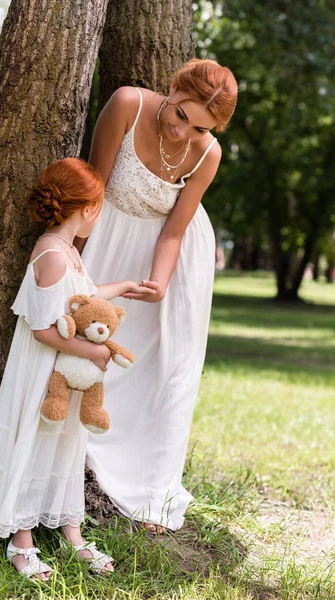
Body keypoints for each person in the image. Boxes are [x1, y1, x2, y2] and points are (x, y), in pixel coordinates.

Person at [0, 157, 155, 580]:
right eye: (99, 208)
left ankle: (71, 531)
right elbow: (42, 330)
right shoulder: (50, 254)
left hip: (65, 374)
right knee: (34, 441)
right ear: (86, 209)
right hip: (43, 371)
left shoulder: (68, 250)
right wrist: (92, 354)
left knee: (64, 443)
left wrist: (122, 286)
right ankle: (21, 540)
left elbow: (82, 298)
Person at [78, 58, 238, 534]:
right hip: (107, 238)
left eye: (200, 128)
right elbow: (94, 189)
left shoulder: (207, 153)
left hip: (170, 256)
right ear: (173, 88)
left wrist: (160, 281)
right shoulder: (128, 103)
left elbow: (175, 228)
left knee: (166, 367)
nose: (182, 133)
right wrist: (73, 262)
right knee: (89, 349)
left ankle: (152, 489)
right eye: (182, 115)